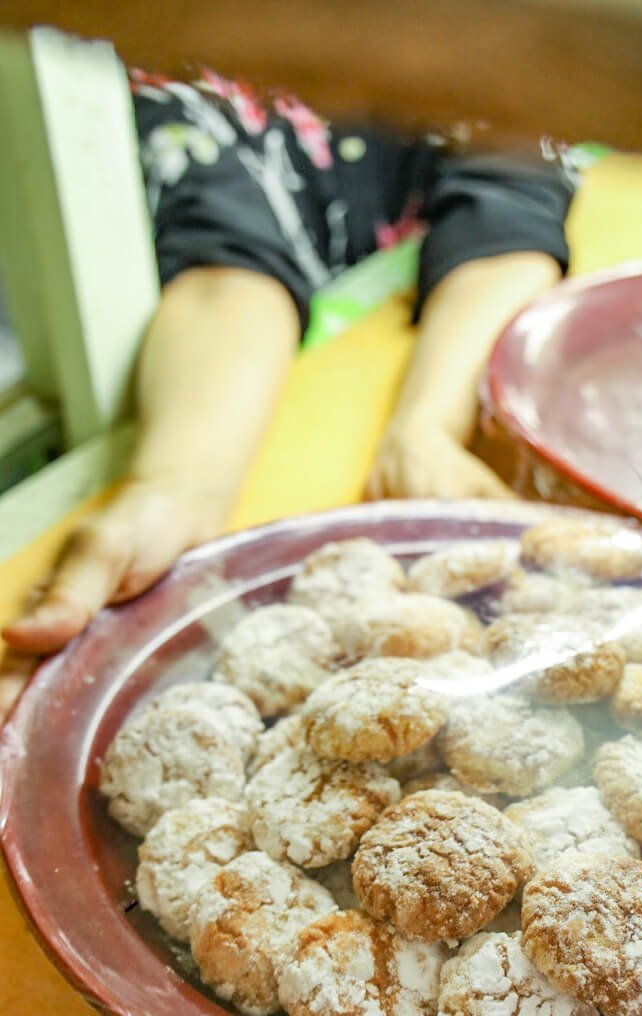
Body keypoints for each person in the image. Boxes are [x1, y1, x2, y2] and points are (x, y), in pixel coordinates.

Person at [0, 69, 574, 721]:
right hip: (237, 397)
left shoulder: (474, 42)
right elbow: (231, 267)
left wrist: (427, 426)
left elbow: (510, 204)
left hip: (396, 353)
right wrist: (179, 488)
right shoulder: (148, 59)